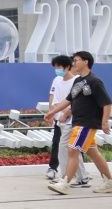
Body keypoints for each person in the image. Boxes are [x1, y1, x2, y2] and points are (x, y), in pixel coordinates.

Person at [44, 50, 112, 195]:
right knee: (93, 152)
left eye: (76, 60)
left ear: (86, 62)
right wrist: (52, 112)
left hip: (87, 123)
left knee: (72, 150)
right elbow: (69, 100)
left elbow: (107, 103)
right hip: (78, 121)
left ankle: (65, 183)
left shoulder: (94, 81)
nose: (73, 63)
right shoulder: (78, 81)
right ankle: (109, 182)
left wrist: (105, 122)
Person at [46, 55, 81, 183]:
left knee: (70, 148)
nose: (57, 70)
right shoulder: (57, 80)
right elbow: (53, 98)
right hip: (59, 119)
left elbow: (76, 101)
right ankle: (77, 176)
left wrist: (67, 113)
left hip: (73, 120)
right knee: (63, 146)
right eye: (55, 67)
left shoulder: (78, 81)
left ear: (67, 66)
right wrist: (52, 113)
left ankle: (69, 176)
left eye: (59, 67)